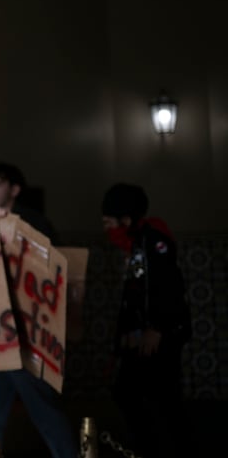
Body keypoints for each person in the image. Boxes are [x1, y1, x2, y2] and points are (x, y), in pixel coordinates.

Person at [0, 163, 77, 458]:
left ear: (14, 190)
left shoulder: (33, 223)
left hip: (27, 338)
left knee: (44, 410)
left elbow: (55, 273)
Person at [101, 183, 190, 458]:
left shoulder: (153, 239)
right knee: (135, 394)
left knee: (161, 399)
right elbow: (136, 293)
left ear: (125, 219)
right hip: (142, 335)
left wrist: (156, 328)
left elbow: (167, 286)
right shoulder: (136, 243)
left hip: (160, 334)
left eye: (110, 222)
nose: (106, 228)